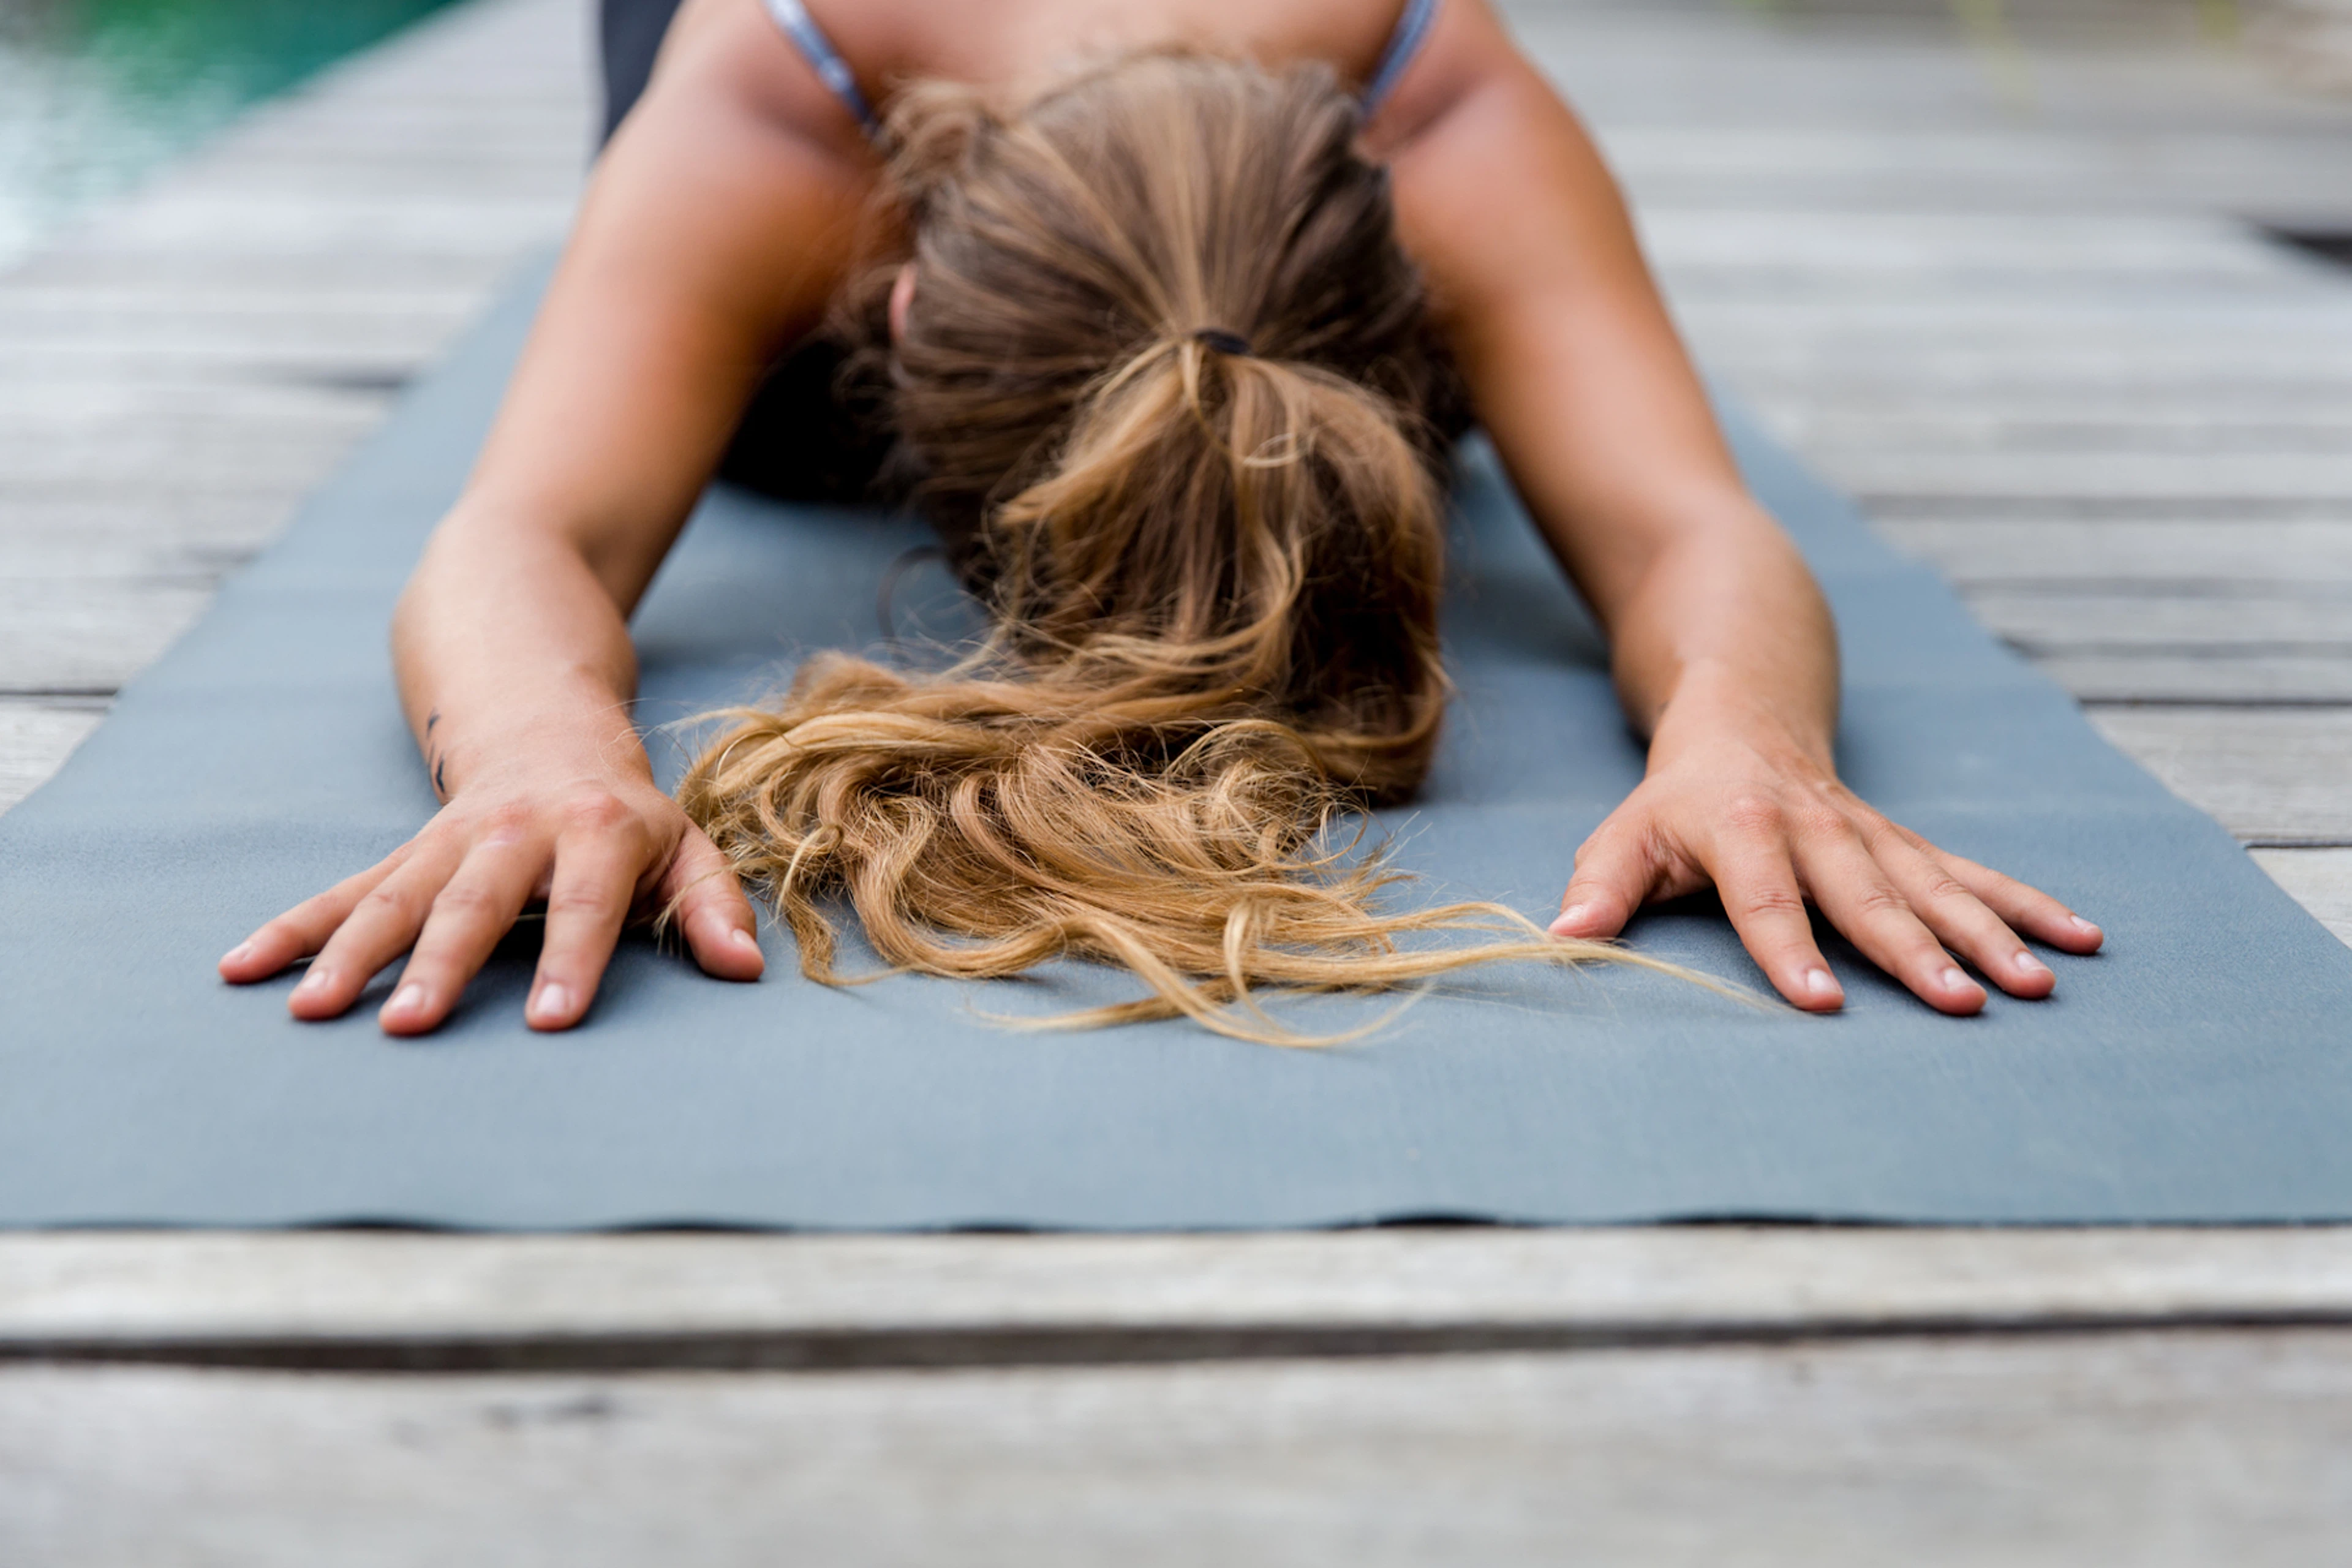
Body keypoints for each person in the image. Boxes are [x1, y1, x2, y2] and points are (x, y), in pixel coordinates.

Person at [217, 0, 2103, 1039]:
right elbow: (517, 527)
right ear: (895, 309)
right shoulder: (778, 91)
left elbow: (1694, 524)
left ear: (1419, 310)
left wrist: (1748, 730)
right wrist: (536, 747)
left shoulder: (1421, 79)